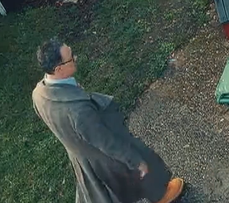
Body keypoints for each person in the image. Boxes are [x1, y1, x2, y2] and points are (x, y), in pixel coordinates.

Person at [31, 39, 185, 203]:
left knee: (103, 194)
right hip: (102, 157)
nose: (76, 57)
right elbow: (106, 142)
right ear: (59, 69)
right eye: (71, 58)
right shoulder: (78, 111)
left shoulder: (39, 93)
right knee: (142, 166)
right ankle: (162, 196)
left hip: (81, 155)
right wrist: (135, 161)